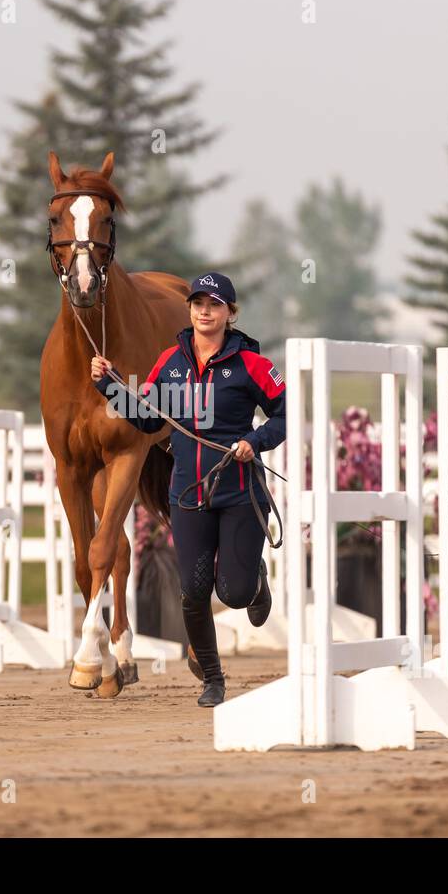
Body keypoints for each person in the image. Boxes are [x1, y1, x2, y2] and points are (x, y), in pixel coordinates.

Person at [90, 272, 286, 707]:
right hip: (189, 495)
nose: (204, 310)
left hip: (239, 492)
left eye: (214, 305)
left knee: (232, 594)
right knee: (194, 591)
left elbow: (283, 416)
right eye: (198, 303)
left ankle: (253, 579)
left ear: (230, 313)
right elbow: (148, 420)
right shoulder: (170, 362)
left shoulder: (252, 365)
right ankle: (213, 680)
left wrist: (254, 442)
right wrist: (109, 384)